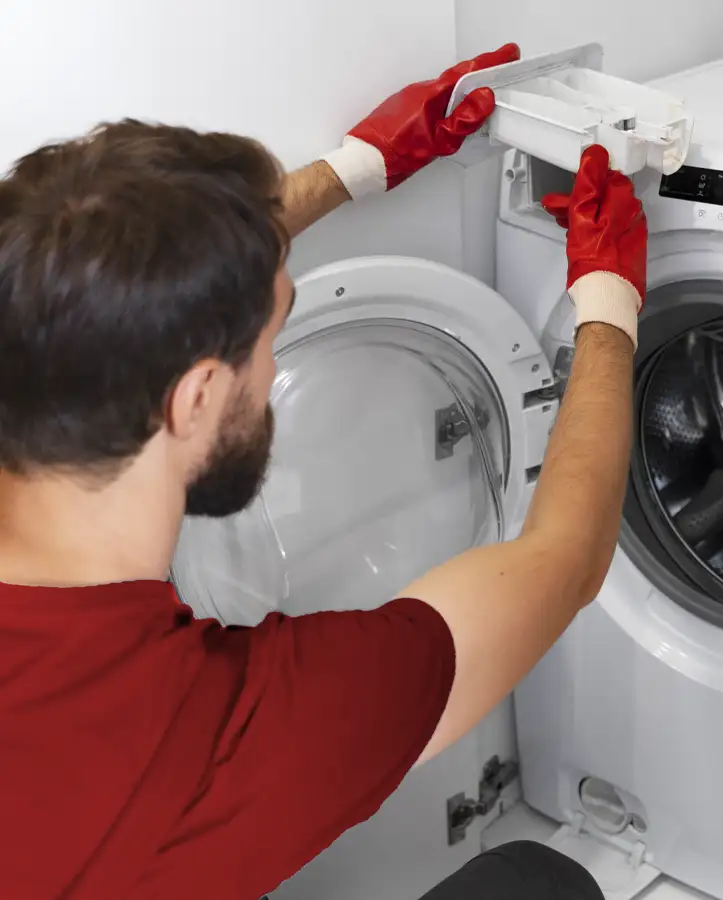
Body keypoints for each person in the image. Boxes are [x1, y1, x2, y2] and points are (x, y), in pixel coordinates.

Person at [0, 43, 645, 900]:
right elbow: (568, 557)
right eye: (271, 336)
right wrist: (610, 302)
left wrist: (359, 167)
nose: (270, 375)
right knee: (535, 883)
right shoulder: (221, 735)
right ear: (193, 397)